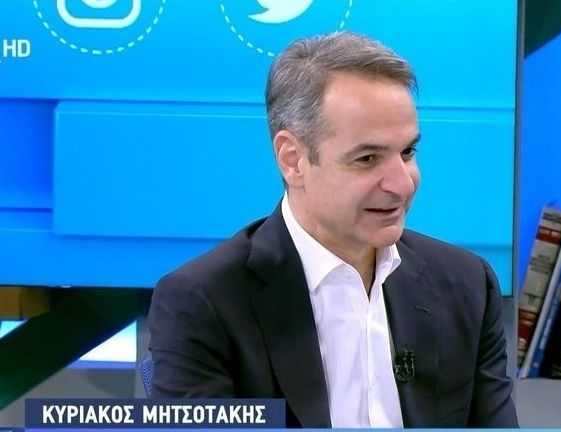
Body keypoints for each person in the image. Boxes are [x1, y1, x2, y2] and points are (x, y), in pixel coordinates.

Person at [148, 31, 518, 428]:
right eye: (367, 158)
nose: (402, 184)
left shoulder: (467, 285)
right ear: (293, 160)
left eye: (407, 152)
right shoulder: (202, 303)